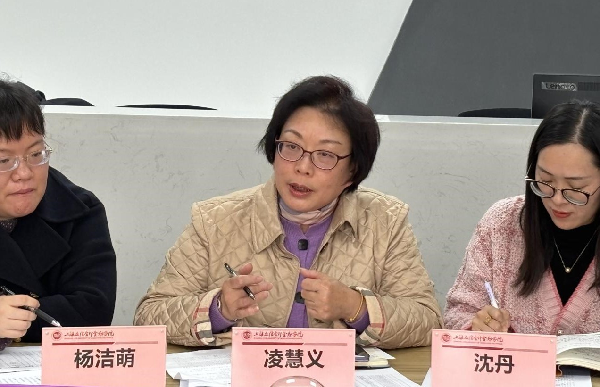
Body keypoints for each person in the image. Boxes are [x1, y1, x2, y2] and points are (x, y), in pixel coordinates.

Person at [134, 75, 441, 348]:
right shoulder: (214, 220)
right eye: (291, 147)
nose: (302, 167)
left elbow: (427, 320)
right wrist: (218, 309)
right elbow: (149, 315)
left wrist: (355, 307)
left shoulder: (385, 221)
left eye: (325, 155)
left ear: (352, 171)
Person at [445, 101, 600, 334]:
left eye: (575, 188)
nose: (557, 199)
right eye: (545, 181)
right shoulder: (501, 223)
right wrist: (476, 327)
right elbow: (457, 313)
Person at [0, 79, 116, 348]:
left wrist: (13, 322)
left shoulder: (79, 211)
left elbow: (92, 311)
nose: (24, 173)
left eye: (35, 154)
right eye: (4, 160)